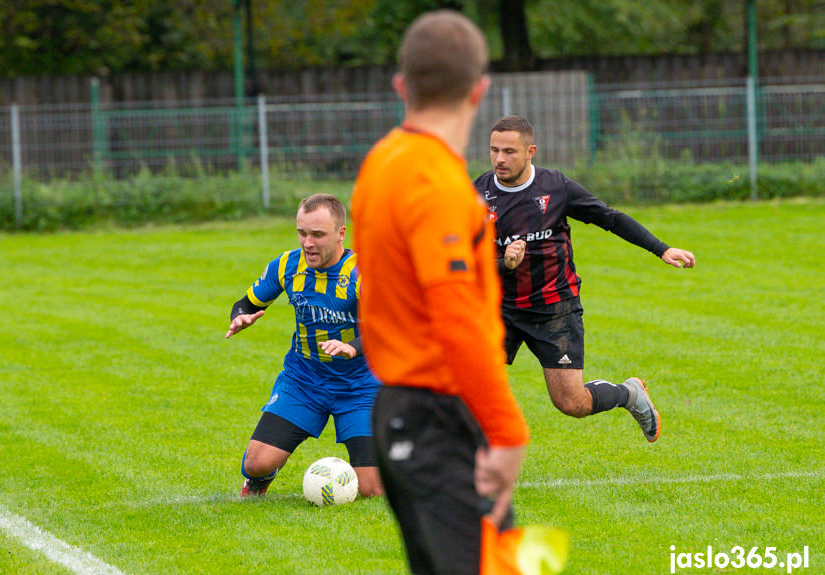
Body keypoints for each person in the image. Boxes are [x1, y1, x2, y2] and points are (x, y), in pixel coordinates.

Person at [351, 11, 532, 575]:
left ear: (401, 85)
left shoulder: (380, 162)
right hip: (437, 418)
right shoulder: (437, 182)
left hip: (399, 410)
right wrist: (506, 431)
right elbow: (455, 317)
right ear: (480, 90)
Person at [474, 115, 696, 443]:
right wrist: (504, 264)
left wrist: (660, 249)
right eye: (494, 150)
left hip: (554, 309)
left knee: (571, 402)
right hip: (499, 307)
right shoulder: (477, 194)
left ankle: (629, 394)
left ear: (530, 151)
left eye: (509, 151)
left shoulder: (555, 188)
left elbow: (609, 218)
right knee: (465, 382)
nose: (500, 159)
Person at [226, 193, 383, 498]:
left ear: (341, 233)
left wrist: (354, 347)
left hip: (360, 387)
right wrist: (241, 317)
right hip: (304, 381)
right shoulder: (286, 265)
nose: (308, 243)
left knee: (372, 490)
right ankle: (258, 482)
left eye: (317, 235)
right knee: (256, 463)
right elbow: (245, 302)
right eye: (302, 233)